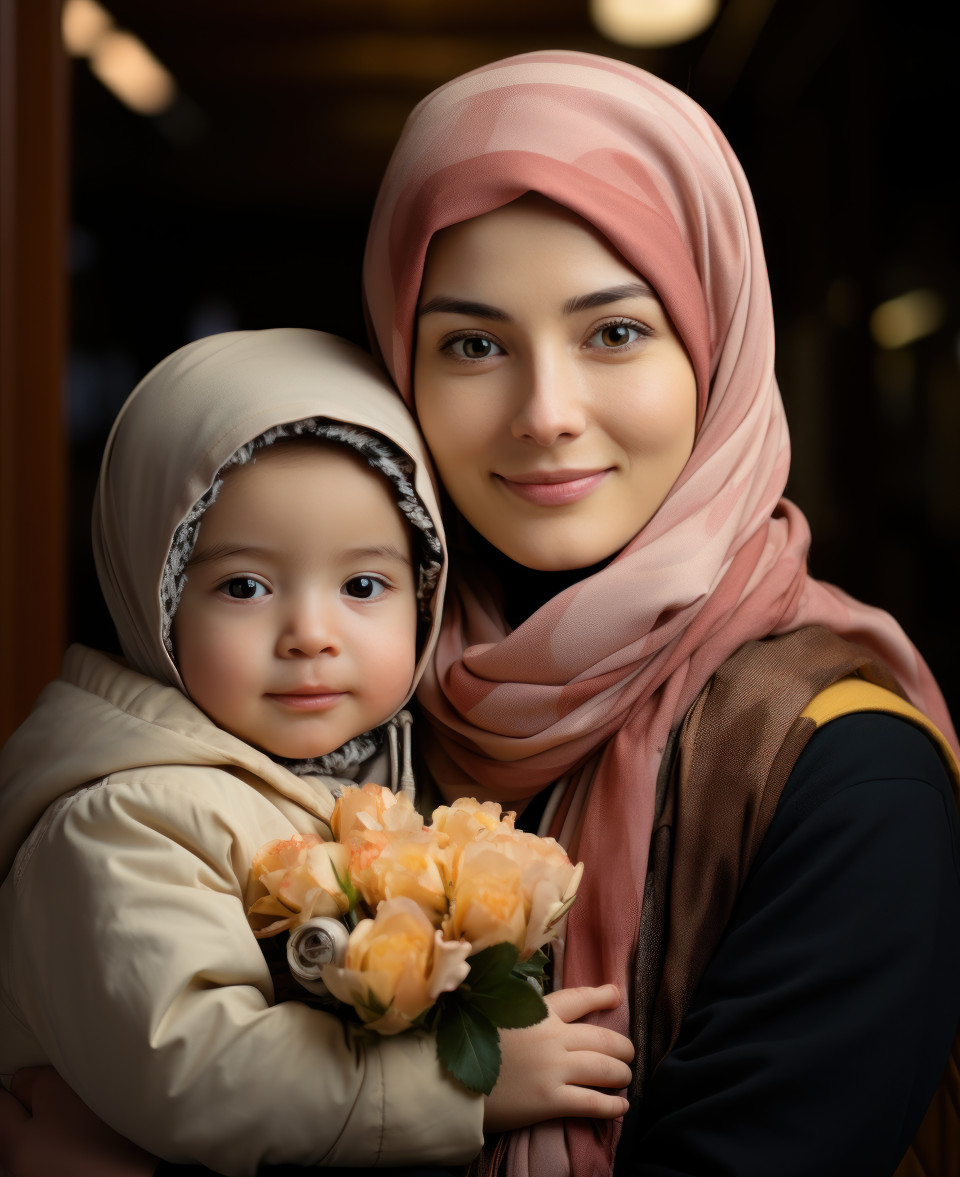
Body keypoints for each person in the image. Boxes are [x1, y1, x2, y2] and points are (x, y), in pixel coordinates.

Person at [4, 49, 960, 1177]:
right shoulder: (353, 715)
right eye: (471, 344)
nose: (546, 413)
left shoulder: (845, 769)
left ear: (719, 344)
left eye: (614, 331)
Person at [0, 325, 632, 1176]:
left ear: (423, 593)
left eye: (362, 585)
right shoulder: (122, 817)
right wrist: (463, 1088)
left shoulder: (385, 766)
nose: (309, 635)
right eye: (245, 586)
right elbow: (193, 1069)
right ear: (154, 600)